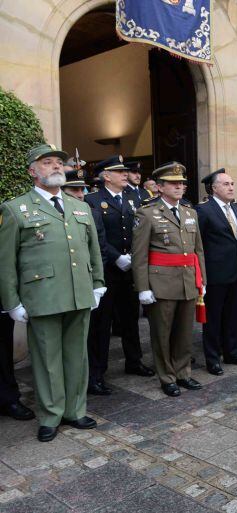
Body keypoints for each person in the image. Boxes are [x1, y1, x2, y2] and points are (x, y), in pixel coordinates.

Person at [0, 143, 106, 442]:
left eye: (59, 163)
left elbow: (92, 250)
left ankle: (75, 410)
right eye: (47, 163)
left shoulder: (79, 206)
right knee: (47, 359)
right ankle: (50, 415)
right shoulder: (14, 209)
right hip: (42, 296)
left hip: (79, 292)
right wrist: (12, 302)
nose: (56, 167)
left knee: (77, 356)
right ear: (32, 171)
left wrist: (98, 282)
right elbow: (5, 262)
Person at [132, 162, 206, 397]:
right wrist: (143, 287)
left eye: (182, 183)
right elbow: (139, 254)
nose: (179, 187)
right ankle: (167, 376)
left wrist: (201, 278)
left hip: (187, 280)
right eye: (173, 183)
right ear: (160, 187)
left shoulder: (189, 212)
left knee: (185, 332)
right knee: (162, 333)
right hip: (161, 283)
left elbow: (198, 250)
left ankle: (184, 372)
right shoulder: (147, 213)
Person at [85, 155, 155, 396]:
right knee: (101, 325)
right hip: (107, 270)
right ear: (106, 176)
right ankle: (97, 373)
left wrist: (135, 257)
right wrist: (117, 257)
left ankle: (133, 361)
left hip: (130, 269)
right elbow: (95, 237)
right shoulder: (92, 199)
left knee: (130, 319)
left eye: (126, 171)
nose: (125, 175)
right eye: (119, 172)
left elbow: (139, 233)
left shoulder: (133, 198)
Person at [196, 169, 237, 375]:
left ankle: (232, 352)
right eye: (226, 184)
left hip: (235, 272)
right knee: (213, 319)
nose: (231, 187)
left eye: (232, 183)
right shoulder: (204, 210)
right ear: (214, 188)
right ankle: (212, 358)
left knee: (233, 316)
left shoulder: (236, 209)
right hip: (216, 275)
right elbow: (198, 245)